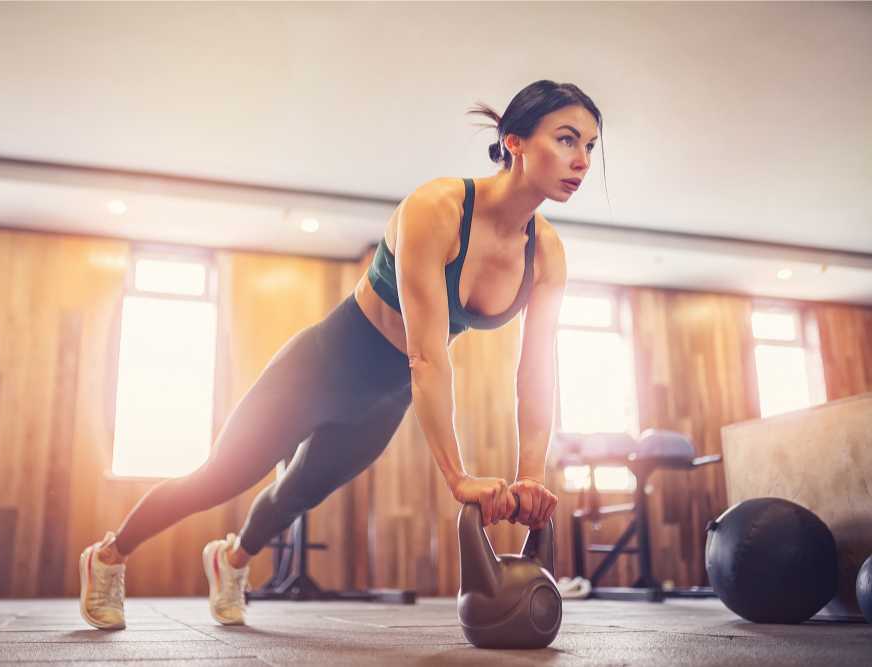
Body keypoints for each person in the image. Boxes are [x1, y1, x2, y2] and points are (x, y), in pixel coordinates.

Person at [79, 79, 603, 631]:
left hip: (385, 397)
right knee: (219, 478)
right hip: (321, 366)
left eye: (590, 147)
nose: (582, 160)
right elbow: (427, 357)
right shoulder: (439, 208)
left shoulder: (546, 253)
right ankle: (109, 555)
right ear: (514, 141)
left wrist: (528, 479)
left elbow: (536, 372)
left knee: (297, 493)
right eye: (567, 140)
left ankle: (230, 560)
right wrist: (458, 478)